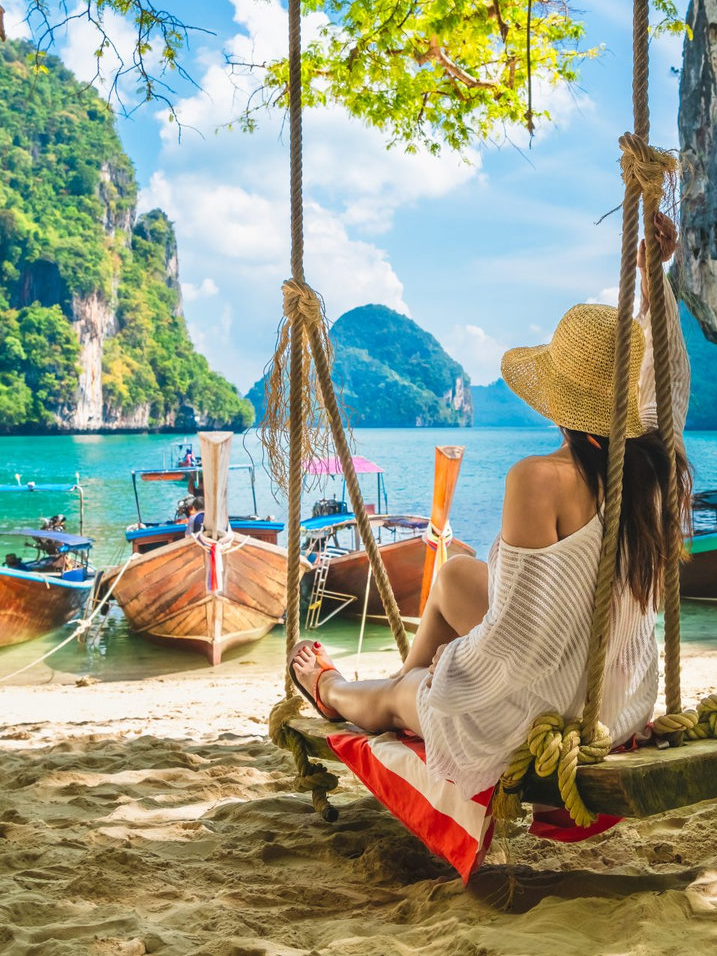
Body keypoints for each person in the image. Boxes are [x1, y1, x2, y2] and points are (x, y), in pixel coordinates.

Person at [289, 211, 690, 793]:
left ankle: (335, 691)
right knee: (452, 575)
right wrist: (656, 276)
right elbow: (670, 377)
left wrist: (443, 683)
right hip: (616, 695)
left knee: (417, 694)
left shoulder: (537, 479)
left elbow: (519, 645)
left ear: (555, 402)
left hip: (548, 712)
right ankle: (401, 680)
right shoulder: (653, 462)